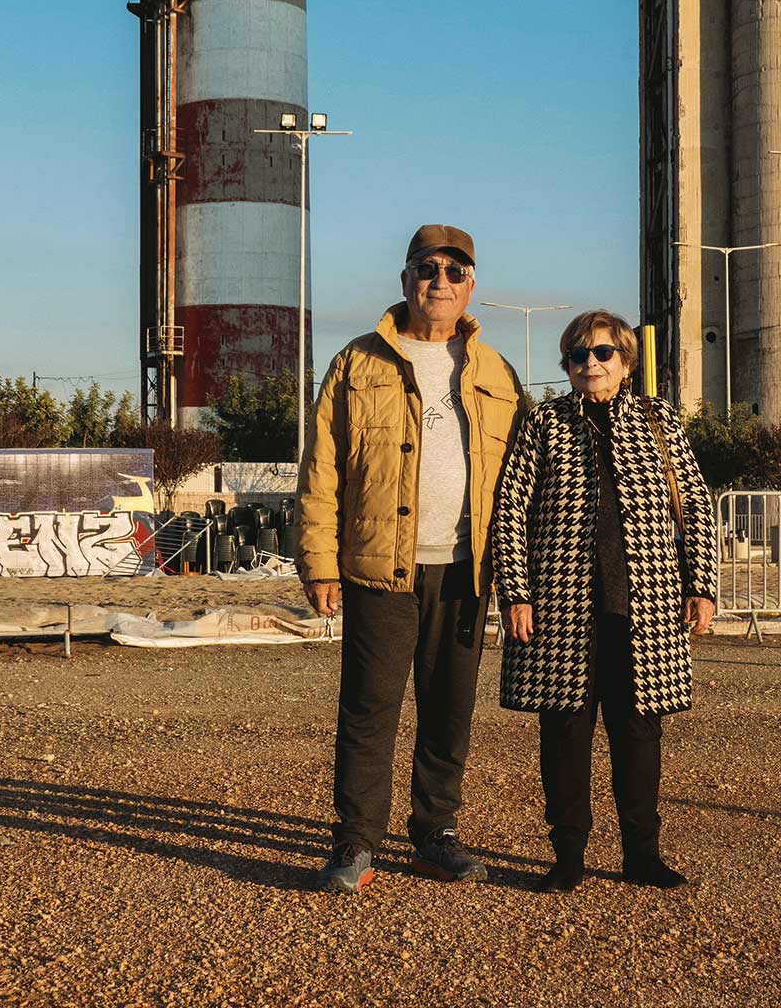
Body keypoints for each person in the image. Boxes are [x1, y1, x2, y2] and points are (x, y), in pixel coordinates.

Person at [298, 224, 525, 893]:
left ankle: (436, 836)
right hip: (378, 567)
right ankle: (355, 841)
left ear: (472, 287)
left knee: (449, 707)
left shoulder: (495, 371)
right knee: (370, 709)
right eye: (427, 269)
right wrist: (318, 561)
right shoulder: (357, 362)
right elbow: (321, 468)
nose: (440, 281)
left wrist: (522, 577)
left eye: (455, 272)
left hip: (465, 569)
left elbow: (522, 477)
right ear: (404, 281)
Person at [491, 309, 718, 893]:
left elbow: (694, 506)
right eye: (576, 355)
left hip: (645, 606)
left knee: (638, 735)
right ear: (565, 365)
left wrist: (702, 585)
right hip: (561, 607)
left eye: (601, 353)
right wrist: (516, 593)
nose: (589, 363)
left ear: (625, 361)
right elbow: (510, 512)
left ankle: (641, 855)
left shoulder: (659, 421)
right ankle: (566, 855)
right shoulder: (544, 424)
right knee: (564, 735)